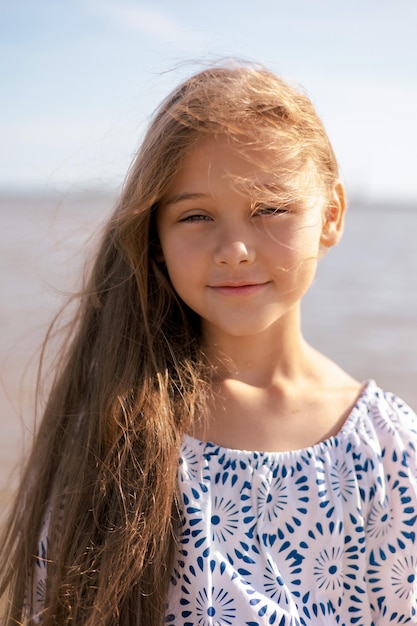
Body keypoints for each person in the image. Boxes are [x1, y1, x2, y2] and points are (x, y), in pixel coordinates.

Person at [1, 61, 417, 626]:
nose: (235, 249)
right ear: (156, 238)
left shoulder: (388, 449)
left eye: (269, 208)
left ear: (331, 214)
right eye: (195, 215)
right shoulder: (116, 428)